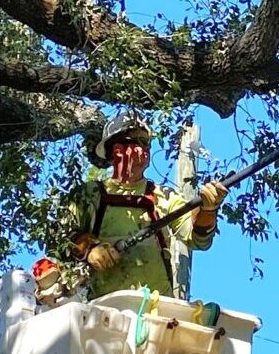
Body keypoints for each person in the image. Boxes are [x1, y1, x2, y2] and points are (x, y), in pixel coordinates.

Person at [57, 111, 227, 299]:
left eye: (147, 143)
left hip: (157, 308)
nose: (146, 148)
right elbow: (60, 238)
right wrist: (88, 248)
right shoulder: (88, 195)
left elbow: (198, 239)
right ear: (117, 150)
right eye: (138, 141)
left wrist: (208, 210)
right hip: (104, 311)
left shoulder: (163, 197)